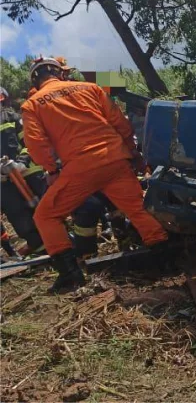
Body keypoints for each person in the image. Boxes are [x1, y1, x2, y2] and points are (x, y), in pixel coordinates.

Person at [21, 58, 169, 293]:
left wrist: (51, 170)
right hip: (115, 160)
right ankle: (165, 257)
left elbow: (35, 144)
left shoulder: (32, 104)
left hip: (80, 169)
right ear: (60, 73)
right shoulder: (90, 88)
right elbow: (121, 122)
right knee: (137, 210)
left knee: (46, 216)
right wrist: (133, 154)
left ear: (35, 80)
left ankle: (70, 275)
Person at [0, 87, 46, 256]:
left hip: (25, 173)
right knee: (16, 212)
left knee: (40, 207)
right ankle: (39, 247)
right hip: (3, 182)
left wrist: (20, 162)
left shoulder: (13, 118)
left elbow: (29, 143)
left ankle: (58, 242)